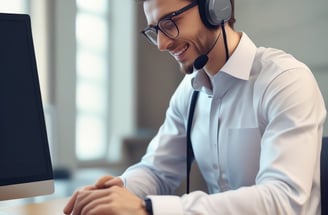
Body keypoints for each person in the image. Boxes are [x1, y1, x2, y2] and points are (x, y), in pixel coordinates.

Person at [64, 0, 327, 214]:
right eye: (154, 30)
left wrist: (149, 209)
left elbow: (284, 201)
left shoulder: (285, 81)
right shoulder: (188, 91)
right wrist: (119, 188)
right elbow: (158, 170)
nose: (162, 44)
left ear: (215, 8)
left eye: (170, 22)